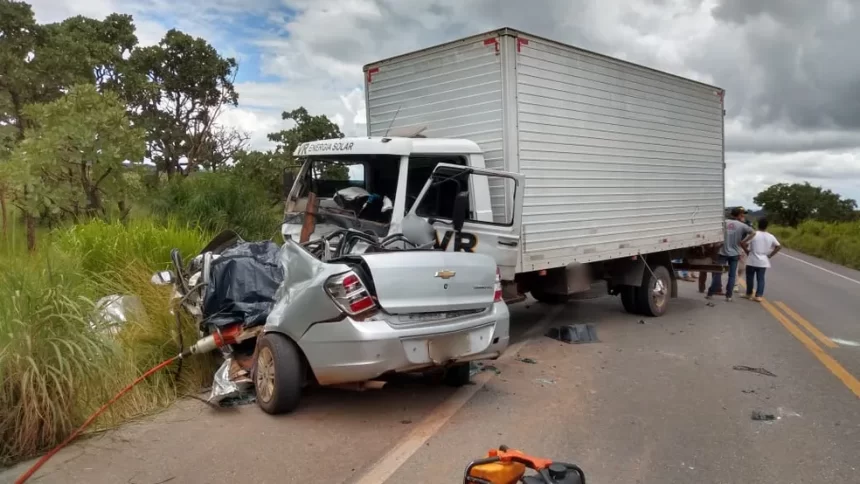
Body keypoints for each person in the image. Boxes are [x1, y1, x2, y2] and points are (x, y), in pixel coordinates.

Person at [707, 207, 755, 301]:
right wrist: (744, 241)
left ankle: (710, 293)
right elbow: (753, 233)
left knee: (718, 273)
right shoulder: (742, 225)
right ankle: (729, 296)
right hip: (735, 253)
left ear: (731, 214)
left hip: (722, 251)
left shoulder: (723, 223)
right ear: (739, 215)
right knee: (732, 275)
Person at [742, 218, 781, 302]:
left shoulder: (754, 234)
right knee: (761, 278)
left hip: (752, 259)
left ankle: (749, 293)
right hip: (763, 260)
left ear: (758, 224)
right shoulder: (771, 236)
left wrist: (747, 251)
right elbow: (778, 246)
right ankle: (759, 296)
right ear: (767, 226)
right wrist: (770, 255)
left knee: (750, 277)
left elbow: (743, 243)